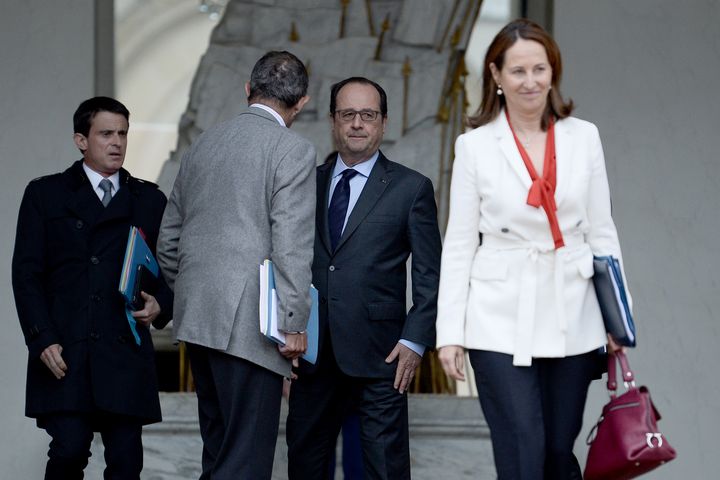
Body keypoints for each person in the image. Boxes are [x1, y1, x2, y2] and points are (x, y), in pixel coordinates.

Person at [436, 19, 628, 480]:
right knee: (523, 444)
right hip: (498, 316)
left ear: (553, 72)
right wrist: (450, 332)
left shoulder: (584, 136)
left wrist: (619, 318)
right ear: (496, 76)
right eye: (518, 71)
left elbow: (603, 232)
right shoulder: (475, 146)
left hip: (574, 311)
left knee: (558, 451)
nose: (531, 81)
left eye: (539, 69)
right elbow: (460, 241)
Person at [156, 51, 315, 479]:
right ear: (300, 102)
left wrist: (193, 289)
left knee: (220, 451)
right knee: (244, 460)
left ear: (248, 90)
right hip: (253, 327)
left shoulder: (202, 145)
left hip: (199, 322)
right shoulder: (293, 150)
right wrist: (294, 322)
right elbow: (291, 243)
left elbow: (168, 240)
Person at [286, 77, 442, 480]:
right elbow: (283, 258)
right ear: (333, 122)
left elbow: (430, 274)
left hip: (383, 356)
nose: (357, 123)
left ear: (383, 123)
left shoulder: (411, 188)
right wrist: (282, 333)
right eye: (348, 114)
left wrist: (414, 340)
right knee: (305, 464)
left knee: (384, 468)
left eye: (368, 115)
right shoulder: (306, 183)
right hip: (311, 354)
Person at [11, 96, 173, 479]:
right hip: (67, 349)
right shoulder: (45, 195)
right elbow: (26, 274)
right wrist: (42, 338)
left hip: (124, 352)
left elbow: (172, 272)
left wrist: (160, 305)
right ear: (81, 140)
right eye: (105, 134)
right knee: (68, 451)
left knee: (126, 461)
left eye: (122, 133)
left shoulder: (149, 199)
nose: (116, 142)